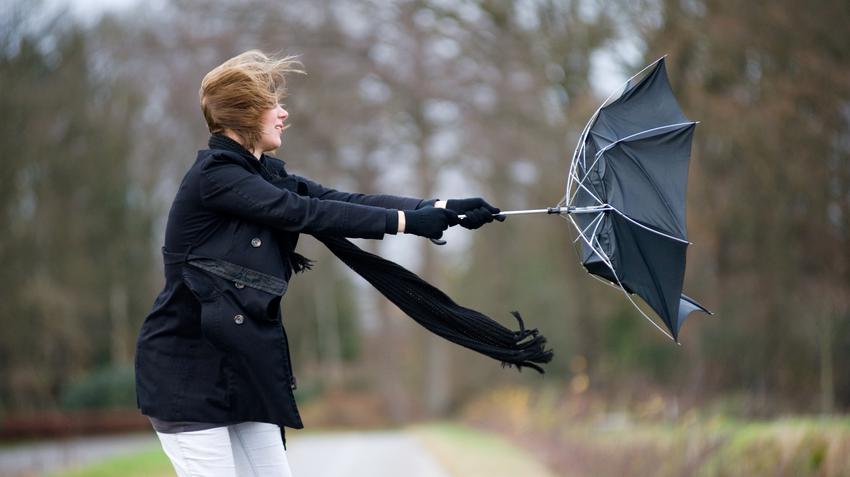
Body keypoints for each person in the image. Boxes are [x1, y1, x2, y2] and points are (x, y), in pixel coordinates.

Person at [133, 50, 502, 477]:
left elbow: (337, 200)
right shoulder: (215, 177)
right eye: (273, 105)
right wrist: (407, 223)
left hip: (242, 368)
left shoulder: (261, 174)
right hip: (188, 375)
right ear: (245, 114)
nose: (283, 113)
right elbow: (304, 213)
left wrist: (439, 207)